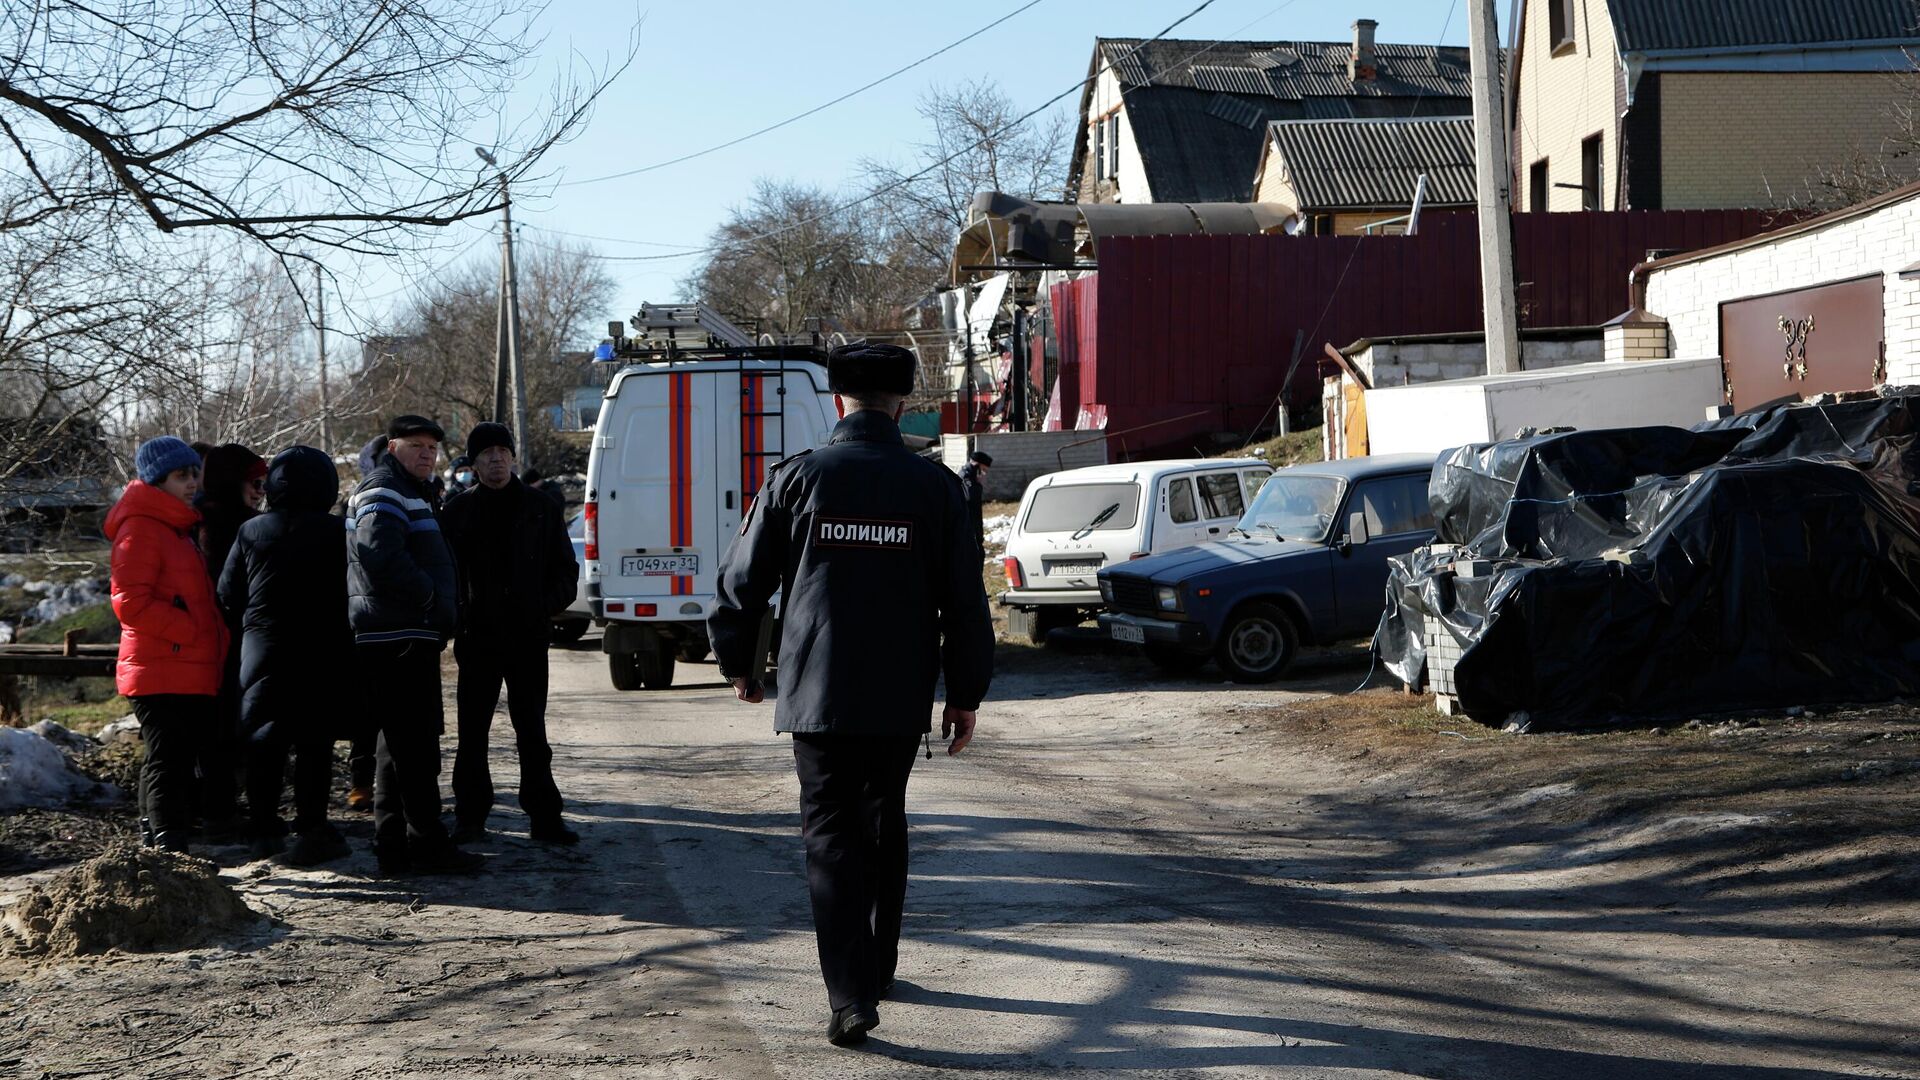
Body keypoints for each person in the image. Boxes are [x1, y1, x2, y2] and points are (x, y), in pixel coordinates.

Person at [710, 342, 994, 1047]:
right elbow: (965, 602)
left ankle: (849, 994)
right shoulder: (938, 489)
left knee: (832, 834)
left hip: (817, 689)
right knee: (883, 817)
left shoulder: (797, 479)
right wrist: (965, 693)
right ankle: (880, 967)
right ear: (904, 401)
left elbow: (739, 585)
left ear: (838, 399)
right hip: (900, 690)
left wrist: (741, 666)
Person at [345, 414, 481, 875]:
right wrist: (427, 595)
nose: (427, 454)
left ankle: (399, 844)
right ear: (392, 446)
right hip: (396, 633)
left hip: (405, 631)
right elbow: (379, 554)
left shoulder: (412, 490)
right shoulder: (385, 489)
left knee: (402, 744)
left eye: (432, 447)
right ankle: (423, 844)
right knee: (413, 745)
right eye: (417, 445)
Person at [441, 422, 580, 845]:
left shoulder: (540, 506)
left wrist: (543, 606)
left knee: (531, 730)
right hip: (477, 637)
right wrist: (458, 617)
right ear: (474, 462)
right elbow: (446, 574)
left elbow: (565, 570)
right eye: (487, 453)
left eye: (503, 451)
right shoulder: (457, 511)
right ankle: (470, 816)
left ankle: (544, 817)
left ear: (513, 457)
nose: (496, 459)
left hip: (528, 638)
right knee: (473, 731)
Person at [218, 446, 354, 866]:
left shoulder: (252, 531)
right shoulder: (339, 532)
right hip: (323, 648)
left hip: (264, 648)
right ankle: (312, 827)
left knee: (265, 739)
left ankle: (263, 829)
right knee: (315, 742)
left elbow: (227, 593)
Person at [108, 436, 230, 854]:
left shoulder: (175, 527)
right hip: (161, 664)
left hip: (179, 662)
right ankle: (167, 848)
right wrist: (190, 630)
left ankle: (162, 841)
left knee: (174, 757)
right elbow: (130, 602)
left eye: (195, 473)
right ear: (157, 480)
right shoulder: (141, 527)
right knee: (168, 758)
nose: (193, 482)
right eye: (182, 475)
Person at [195, 442, 267, 839]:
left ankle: (218, 809)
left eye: (264, 483)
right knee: (223, 731)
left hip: (226, 641)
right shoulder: (226, 525)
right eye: (254, 482)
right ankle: (220, 812)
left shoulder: (206, 520)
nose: (260, 491)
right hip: (226, 642)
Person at [958, 451, 993, 555]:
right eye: (983, 470)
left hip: (973, 522)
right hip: (968, 523)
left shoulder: (971, 475)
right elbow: (970, 497)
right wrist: (978, 484)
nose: (984, 474)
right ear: (977, 465)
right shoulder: (966, 476)